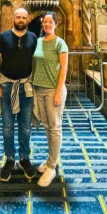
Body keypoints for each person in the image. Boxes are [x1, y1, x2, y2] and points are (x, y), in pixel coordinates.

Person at [0, 8, 37, 182]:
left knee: (26, 126)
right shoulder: (3, 37)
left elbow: (37, 60)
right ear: (13, 18)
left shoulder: (33, 38)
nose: (20, 20)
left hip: (26, 86)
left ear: (27, 20)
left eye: (24, 17)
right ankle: (9, 158)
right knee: (7, 125)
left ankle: (24, 158)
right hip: (6, 86)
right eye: (18, 17)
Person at [33, 12, 69, 187]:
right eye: (45, 22)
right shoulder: (38, 42)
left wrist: (57, 92)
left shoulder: (60, 43)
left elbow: (64, 69)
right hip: (39, 89)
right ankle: (50, 160)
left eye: (50, 22)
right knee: (47, 126)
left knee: (54, 127)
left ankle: (52, 167)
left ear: (55, 24)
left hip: (53, 90)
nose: (47, 24)